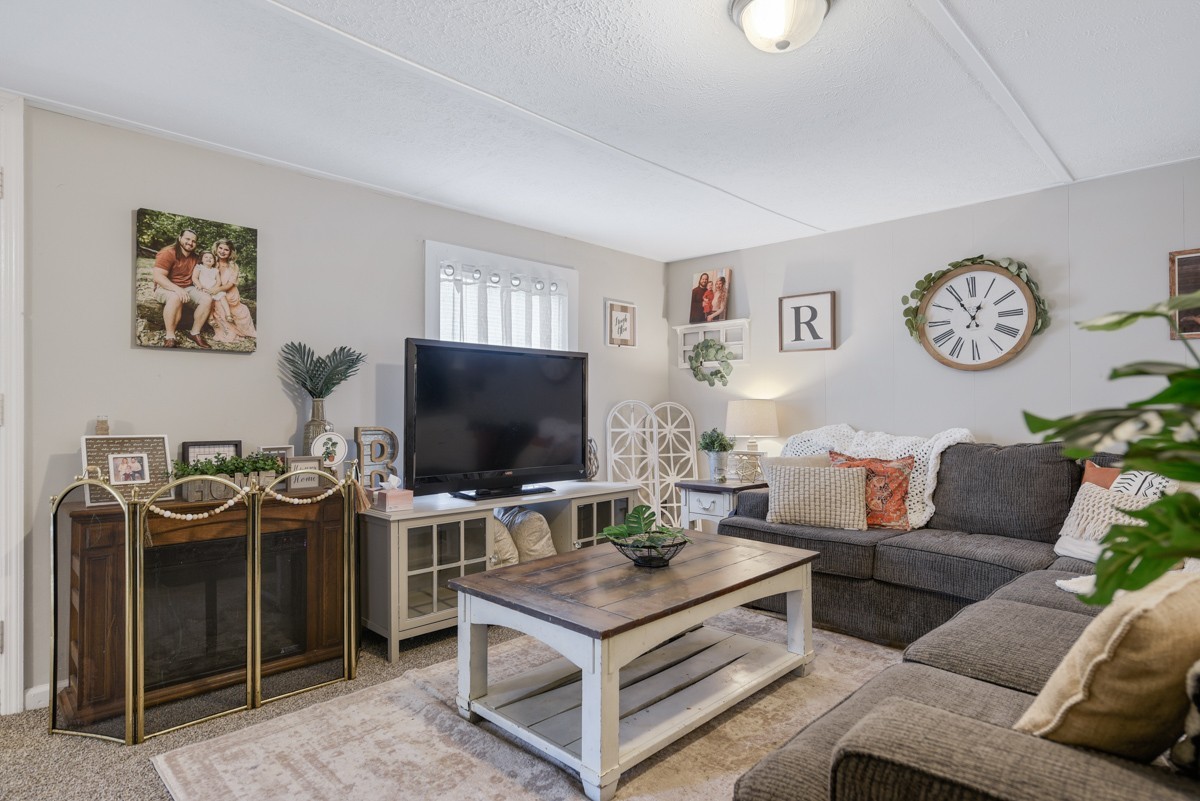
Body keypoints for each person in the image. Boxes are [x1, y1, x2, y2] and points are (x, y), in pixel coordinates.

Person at [152, 229, 212, 349]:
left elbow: (209, 267)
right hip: (166, 287)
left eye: (194, 241)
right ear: (180, 238)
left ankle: (194, 333)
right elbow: (158, 276)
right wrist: (177, 289)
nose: (190, 243)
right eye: (187, 239)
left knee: (207, 299)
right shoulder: (168, 253)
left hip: (188, 288)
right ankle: (170, 336)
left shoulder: (195, 258)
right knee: (175, 297)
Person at [212, 239, 257, 338]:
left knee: (243, 311)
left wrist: (218, 290)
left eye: (226, 250)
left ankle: (243, 330)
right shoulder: (212, 261)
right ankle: (228, 330)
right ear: (216, 248)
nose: (222, 251)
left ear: (230, 252)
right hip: (215, 294)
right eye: (220, 248)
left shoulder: (233, 266)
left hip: (230, 294)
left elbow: (230, 284)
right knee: (219, 305)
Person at [194, 250, 240, 344]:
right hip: (203, 288)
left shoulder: (215, 270)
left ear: (214, 261)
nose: (208, 259)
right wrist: (199, 285)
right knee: (209, 301)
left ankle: (228, 314)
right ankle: (210, 318)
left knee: (222, 296)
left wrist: (216, 288)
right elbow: (194, 277)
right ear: (201, 259)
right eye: (206, 257)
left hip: (213, 288)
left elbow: (218, 281)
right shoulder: (199, 267)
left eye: (211, 258)